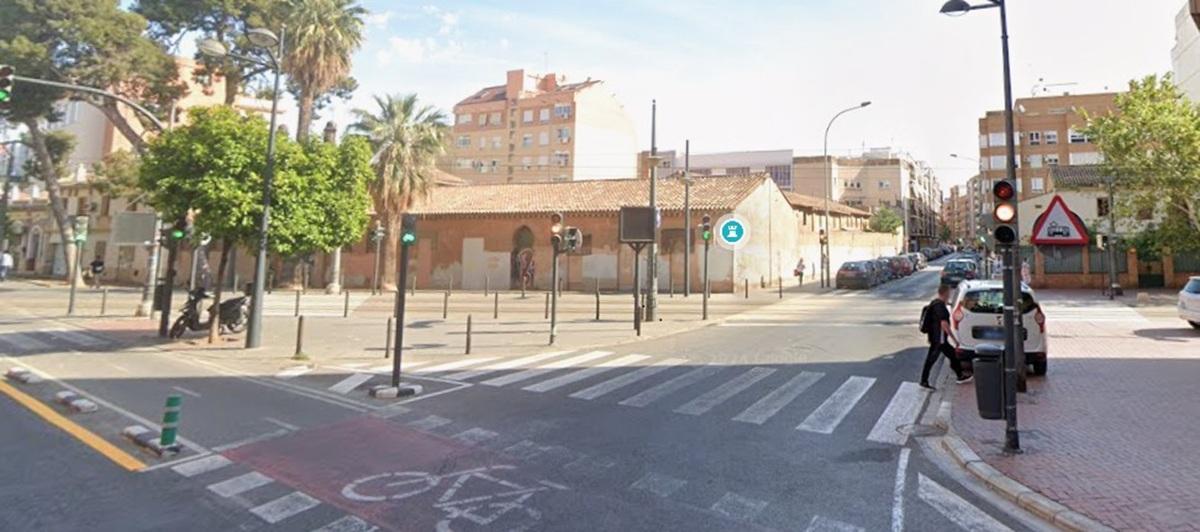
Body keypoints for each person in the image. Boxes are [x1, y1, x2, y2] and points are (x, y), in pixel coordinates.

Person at [920, 284, 971, 389]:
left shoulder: (934, 303)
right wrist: (954, 339)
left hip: (936, 337)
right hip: (940, 338)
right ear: (946, 293)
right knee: (932, 359)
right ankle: (924, 381)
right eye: (949, 293)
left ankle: (960, 375)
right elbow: (944, 324)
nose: (950, 295)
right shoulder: (940, 306)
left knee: (952, 355)